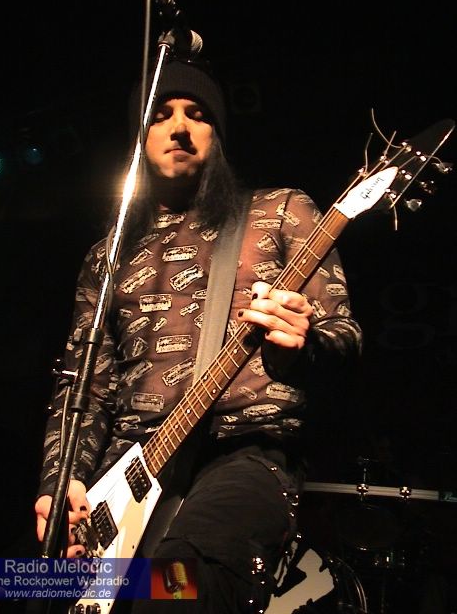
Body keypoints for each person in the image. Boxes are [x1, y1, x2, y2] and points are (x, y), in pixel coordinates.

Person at [34, 56, 362, 613]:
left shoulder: (281, 211)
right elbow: (83, 386)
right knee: (2, 583)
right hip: (124, 481)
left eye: (198, 113)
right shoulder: (107, 256)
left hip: (244, 452)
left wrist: (303, 346)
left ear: (219, 134)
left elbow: (346, 338)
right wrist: (59, 481)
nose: (180, 127)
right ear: (139, 137)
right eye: (161, 115)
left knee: (176, 588)